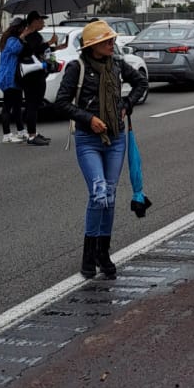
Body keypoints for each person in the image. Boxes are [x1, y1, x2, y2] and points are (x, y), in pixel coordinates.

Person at [56, 20, 149, 280]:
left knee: (109, 194)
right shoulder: (78, 67)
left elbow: (141, 83)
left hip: (116, 137)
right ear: (93, 45)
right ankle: (88, 255)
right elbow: (61, 103)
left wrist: (127, 104)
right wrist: (89, 119)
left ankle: (103, 252)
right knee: (98, 193)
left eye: (112, 40)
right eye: (107, 41)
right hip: (88, 139)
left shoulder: (117, 65)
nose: (112, 44)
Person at [19, 12, 52, 146]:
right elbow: (32, 50)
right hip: (32, 75)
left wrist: (55, 46)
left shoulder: (34, 35)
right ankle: (32, 135)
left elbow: (39, 51)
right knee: (32, 104)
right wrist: (49, 43)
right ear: (33, 21)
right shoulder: (29, 35)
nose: (43, 23)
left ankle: (33, 131)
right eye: (41, 20)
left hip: (37, 74)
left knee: (35, 103)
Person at [0, 18, 26, 143]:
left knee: (17, 106)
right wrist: (23, 37)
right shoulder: (11, 40)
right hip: (9, 78)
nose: (25, 30)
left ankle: (20, 131)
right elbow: (16, 49)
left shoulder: (9, 39)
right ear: (18, 28)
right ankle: (7, 135)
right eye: (24, 28)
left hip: (14, 78)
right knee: (7, 107)